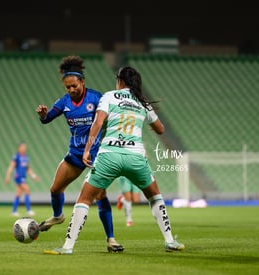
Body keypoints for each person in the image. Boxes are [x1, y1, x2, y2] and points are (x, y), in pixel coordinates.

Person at [44, 66, 185, 255]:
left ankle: (68, 246)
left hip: (109, 155)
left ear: (120, 80)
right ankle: (170, 241)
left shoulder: (109, 96)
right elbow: (160, 129)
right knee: (154, 195)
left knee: (85, 198)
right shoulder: (143, 102)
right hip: (135, 156)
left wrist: (87, 149)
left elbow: (98, 123)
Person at [35, 55, 124, 252]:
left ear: (82, 81)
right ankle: (58, 216)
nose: (71, 90)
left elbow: (108, 118)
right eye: (67, 87)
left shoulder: (96, 98)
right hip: (75, 154)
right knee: (55, 189)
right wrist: (43, 115)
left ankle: (111, 239)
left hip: (95, 155)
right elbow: (47, 118)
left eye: (74, 85)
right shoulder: (64, 102)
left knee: (100, 195)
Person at [4, 143, 39, 217]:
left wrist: (34, 176)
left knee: (18, 194)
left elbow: (28, 169)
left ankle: (14, 211)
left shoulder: (26, 157)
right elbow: (11, 167)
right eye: (22, 147)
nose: (24, 148)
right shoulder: (16, 157)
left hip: (23, 177)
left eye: (25, 147)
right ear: (19, 148)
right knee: (27, 190)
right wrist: (8, 176)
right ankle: (29, 210)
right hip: (18, 177)